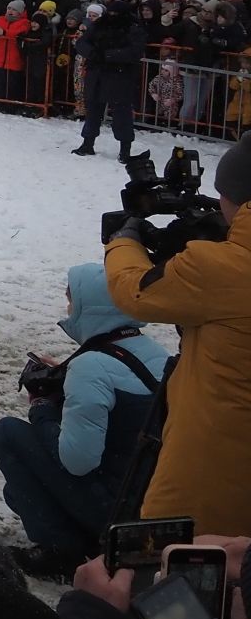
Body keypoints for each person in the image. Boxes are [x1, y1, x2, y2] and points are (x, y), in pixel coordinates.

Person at [104, 133, 251, 536]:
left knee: (179, 571)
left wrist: (123, 242)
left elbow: (135, 291)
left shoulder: (220, 268)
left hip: (217, 461)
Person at [0, 263, 167, 568]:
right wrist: (67, 380)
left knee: (7, 433)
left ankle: (60, 553)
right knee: (15, 493)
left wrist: (42, 408)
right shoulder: (157, 353)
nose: (69, 309)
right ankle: (83, 539)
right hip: (152, 505)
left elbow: (78, 461)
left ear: (90, 307)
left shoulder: (90, 367)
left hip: (115, 510)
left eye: (72, 300)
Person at [74, 0, 146, 158]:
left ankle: (124, 150)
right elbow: (81, 43)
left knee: (122, 115)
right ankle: (87, 143)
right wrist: (93, 53)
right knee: (93, 111)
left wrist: (108, 55)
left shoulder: (132, 28)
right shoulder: (99, 25)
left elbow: (134, 52)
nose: (112, 16)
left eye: (116, 14)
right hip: (97, 74)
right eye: (111, 13)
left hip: (120, 76)